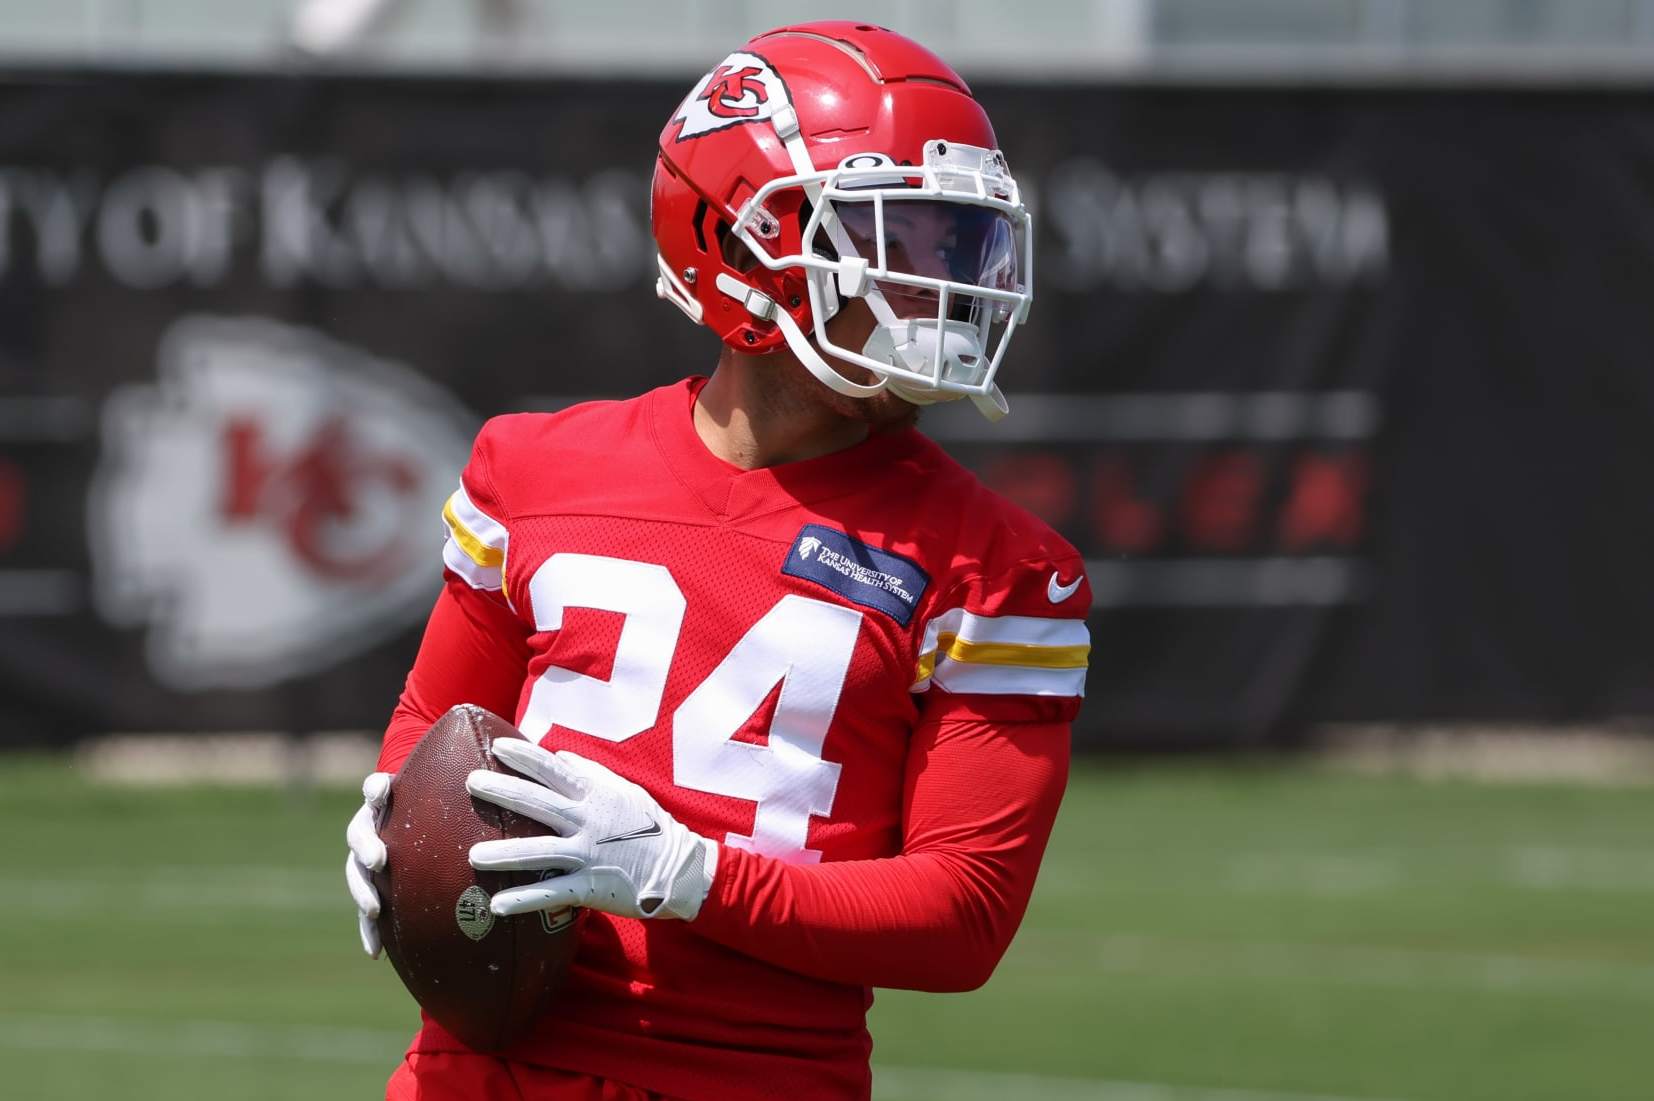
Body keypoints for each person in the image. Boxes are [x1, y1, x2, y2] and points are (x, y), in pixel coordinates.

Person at [345, 20, 1091, 1101]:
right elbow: (434, 735)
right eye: (893, 240)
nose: (939, 288)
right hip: (477, 1073)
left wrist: (683, 874)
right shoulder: (533, 468)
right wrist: (392, 822)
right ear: (736, 243)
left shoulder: (999, 569)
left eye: (953, 245)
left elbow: (962, 918)